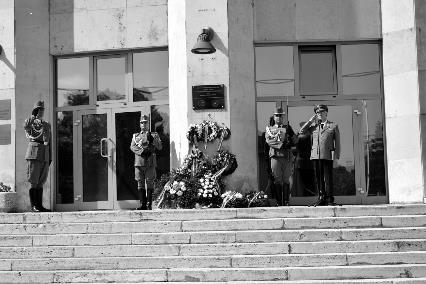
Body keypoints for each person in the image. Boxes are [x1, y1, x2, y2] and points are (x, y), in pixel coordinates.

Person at [300, 104, 340, 206]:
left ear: (326, 113)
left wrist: (336, 158)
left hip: (327, 155)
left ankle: (330, 199)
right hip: (316, 156)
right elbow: (302, 131)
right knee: (319, 178)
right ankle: (321, 197)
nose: (320, 114)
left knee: (328, 178)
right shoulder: (314, 127)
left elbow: (338, 143)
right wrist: (310, 121)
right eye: (317, 113)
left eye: (322, 112)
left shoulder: (333, 125)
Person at [24, 101, 52, 212]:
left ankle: (39, 206)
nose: (41, 112)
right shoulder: (30, 122)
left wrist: (50, 157)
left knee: (41, 180)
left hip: (44, 152)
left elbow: (49, 141)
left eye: (42, 110)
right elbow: (26, 126)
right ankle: (34, 206)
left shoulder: (46, 124)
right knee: (34, 179)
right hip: (34, 151)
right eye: (39, 110)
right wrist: (33, 115)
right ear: (35, 111)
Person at [265, 107, 296, 206]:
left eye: (280, 116)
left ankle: (286, 201)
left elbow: (295, 140)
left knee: (286, 179)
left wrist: (291, 138)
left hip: (287, 156)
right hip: (275, 156)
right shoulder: (269, 129)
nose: (279, 117)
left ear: (283, 117)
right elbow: (269, 141)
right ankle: (279, 201)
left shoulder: (287, 128)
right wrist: (282, 145)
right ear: (274, 117)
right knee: (277, 179)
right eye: (277, 116)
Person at [130, 114, 162, 210]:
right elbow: (132, 147)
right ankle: (142, 204)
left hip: (150, 162)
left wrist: (153, 140)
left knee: (150, 182)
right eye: (142, 122)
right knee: (140, 182)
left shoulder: (154, 135)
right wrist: (142, 152)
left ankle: (149, 204)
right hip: (139, 162)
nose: (144, 124)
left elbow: (160, 147)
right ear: (140, 124)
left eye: (145, 122)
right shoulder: (136, 136)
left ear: (148, 124)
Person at [292, 122, 315, 197]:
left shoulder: (301, 137)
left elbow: (295, 149)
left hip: (302, 163)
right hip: (308, 163)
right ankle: (309, 197)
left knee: (303, 184)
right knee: (309, 183)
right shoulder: (310, 136)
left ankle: (304, 197)